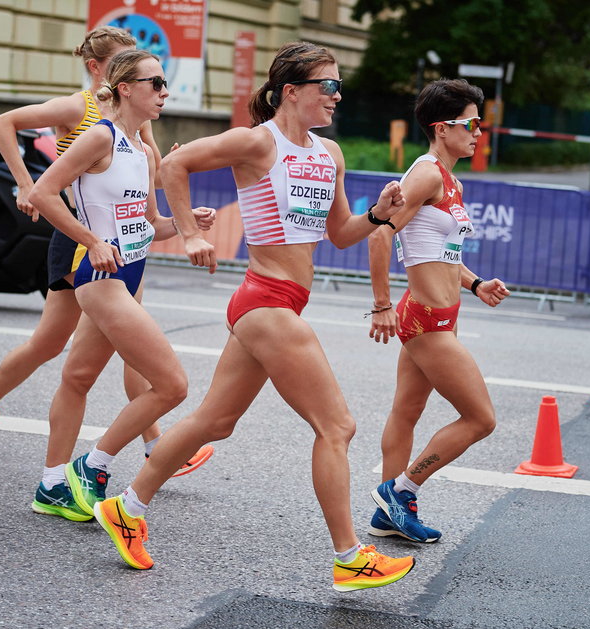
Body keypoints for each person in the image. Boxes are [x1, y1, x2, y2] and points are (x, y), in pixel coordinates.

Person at [92, 41, 416, 593]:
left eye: (340, 87)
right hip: (265, 301)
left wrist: (378, 215)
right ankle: (349, 557)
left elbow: (340, 235)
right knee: (336, 426)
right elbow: (175, 162)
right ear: (292, 91)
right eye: (328, 86)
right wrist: (191, 233)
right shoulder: (256, 142)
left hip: (278, 303)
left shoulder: (328, 153)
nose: (337, 96)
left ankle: (127, 506)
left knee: (214, 423)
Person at [0, 25, 212, 506]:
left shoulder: (144, 152)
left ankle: (51, 483)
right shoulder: (98, 136)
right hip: (100, 278)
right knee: (171, 384)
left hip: (131, 269)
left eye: (165, 84)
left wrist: (185, 224)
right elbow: (42, 192)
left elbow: (148, 224)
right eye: (156, 84)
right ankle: (93, 464)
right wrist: (90, 239)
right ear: (124, 88)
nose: (165, 93)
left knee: (77, 377)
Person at [366, 79, 511, 543]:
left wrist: (476, 283)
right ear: (441, 128)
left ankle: (390, 513)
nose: (477, 133)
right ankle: (402, 489)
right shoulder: (426, 174)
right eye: (470, 124)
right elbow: (380, 235)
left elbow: (441, 252)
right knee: (481, 419)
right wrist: (382, 305)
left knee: (406, 412)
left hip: (440, 314)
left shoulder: (451, 179)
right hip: (425, 320)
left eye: (479, 124)